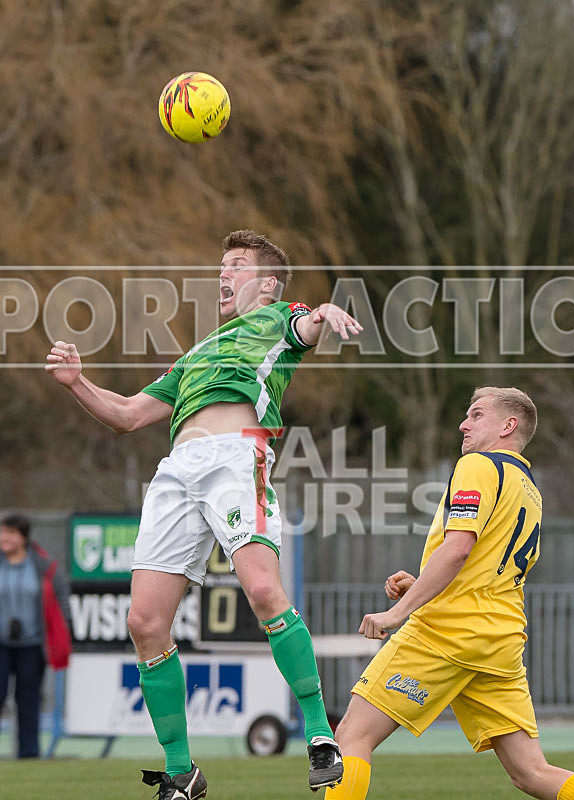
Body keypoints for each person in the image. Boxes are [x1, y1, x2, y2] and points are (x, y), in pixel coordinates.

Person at [46, 230, 361, 798]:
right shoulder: (198, 352)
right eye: (221, 264)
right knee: (143, 624)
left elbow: (308, 324)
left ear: (266, 284)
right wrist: (78, 384)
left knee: (264, 593)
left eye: (236, 265)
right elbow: (126, 414)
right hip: (176, 470)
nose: (222, 273)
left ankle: (319, 733)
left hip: (238, 456)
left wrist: (325, 312)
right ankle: (182, 773)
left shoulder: (276, 317)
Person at [325, 387, 574, 800]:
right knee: (531, 772)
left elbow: (458, 548)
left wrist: (399, 611)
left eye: (476, 414)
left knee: (352, 735)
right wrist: (421, 586)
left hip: (447, 633)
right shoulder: (529, 488)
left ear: (509, 426)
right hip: (500, 642)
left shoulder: (478, 465)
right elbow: (486, 571)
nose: (463, 424)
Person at [0, 513, 71, 759]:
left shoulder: (43, 565)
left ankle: (29, 754)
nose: (3, 538)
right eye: (2, 532)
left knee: (28, 699)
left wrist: (63, 631)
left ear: (22, 537)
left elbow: (61, 600)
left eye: (9, 533)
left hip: (32, 644)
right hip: (1, 644)